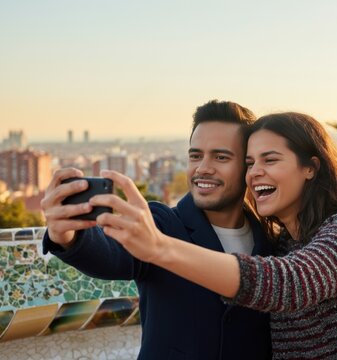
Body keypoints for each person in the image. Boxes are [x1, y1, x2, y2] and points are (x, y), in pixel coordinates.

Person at [90, 112, 337, 359]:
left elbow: (287, 284)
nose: (255, 172)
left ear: (310, 168)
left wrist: (160, 248)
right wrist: (71, 237)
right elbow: (107, 255)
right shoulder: (281, 243)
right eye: (250, 163)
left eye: (270, 160)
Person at [40, 100, 272, 360]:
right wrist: (67, 235)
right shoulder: (161, 224)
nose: (203, 168)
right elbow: (110, 255)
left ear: (249, 166)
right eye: (195, 155)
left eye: (221, 157)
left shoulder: (271, 239)